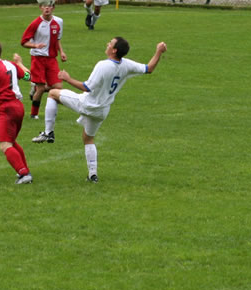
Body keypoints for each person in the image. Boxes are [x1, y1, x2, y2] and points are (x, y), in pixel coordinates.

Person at [32, 37, 167, 182]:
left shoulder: (103, 65)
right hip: (102, 111)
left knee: (52, 94)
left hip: (87, 104)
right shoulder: (126, 64)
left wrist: (67, 78)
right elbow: (149, 68)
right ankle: (92, 175)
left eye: (110, 43)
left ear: (114, 50)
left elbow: (87, 87)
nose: (107, 44)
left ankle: (48, 133)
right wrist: (159, 51)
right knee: (88, 138)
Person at [0, 41, 34, 185]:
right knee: (11, 142)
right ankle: (24, 170)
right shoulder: (11, 64)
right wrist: (20, 63)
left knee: (5, 145)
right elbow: (28, 77)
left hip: (7, 108)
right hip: (19, 107)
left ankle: (24, 174)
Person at [21, 0, 67, 120]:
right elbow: (23, 42)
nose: (47, 8)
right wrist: (35, 45)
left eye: (49, 6)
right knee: (41, 88)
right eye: (44, 6)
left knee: (58, 87)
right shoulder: (35, 23)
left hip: (52, 59)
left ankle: (35, 88)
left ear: (53, 8)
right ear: (40, 8)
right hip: (38, 58)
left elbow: (57, 39)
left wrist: (61, 52)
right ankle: (33, 114)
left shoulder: (58, 23)